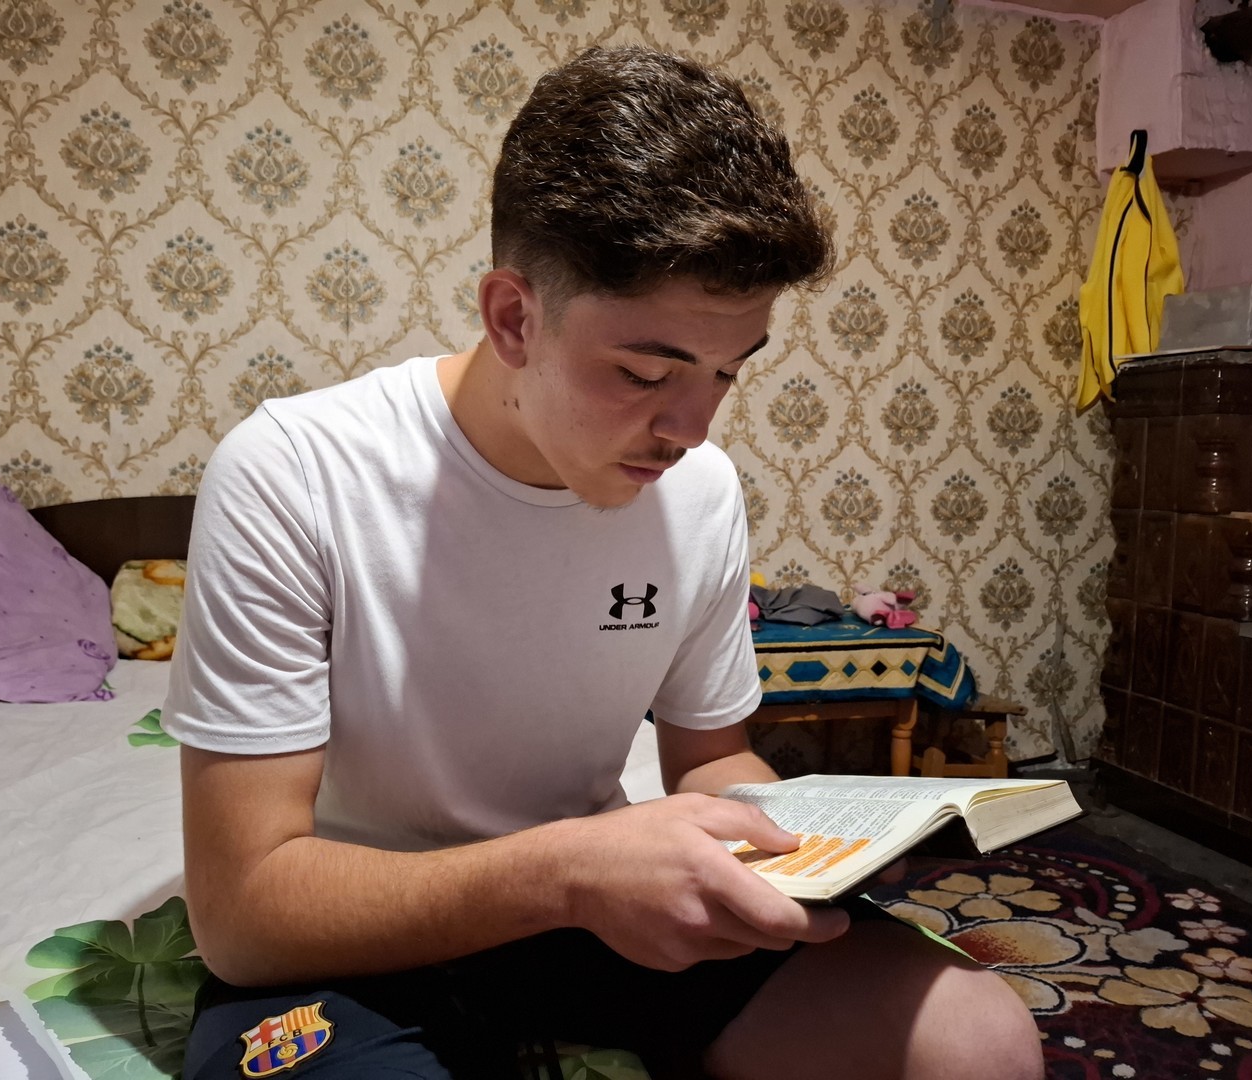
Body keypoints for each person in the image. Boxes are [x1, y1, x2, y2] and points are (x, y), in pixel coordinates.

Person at [163, 45, 1044, 1080]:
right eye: (642, 372)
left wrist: (806, 844)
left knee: (981, 1041)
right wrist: (571, 871)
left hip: (604, 907)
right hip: (360, 926)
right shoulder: (294, 472)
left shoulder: (700, 490)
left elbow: (710, 759)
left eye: (728, 371)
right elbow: (242, 912)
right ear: (512, 319)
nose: (689, 427)